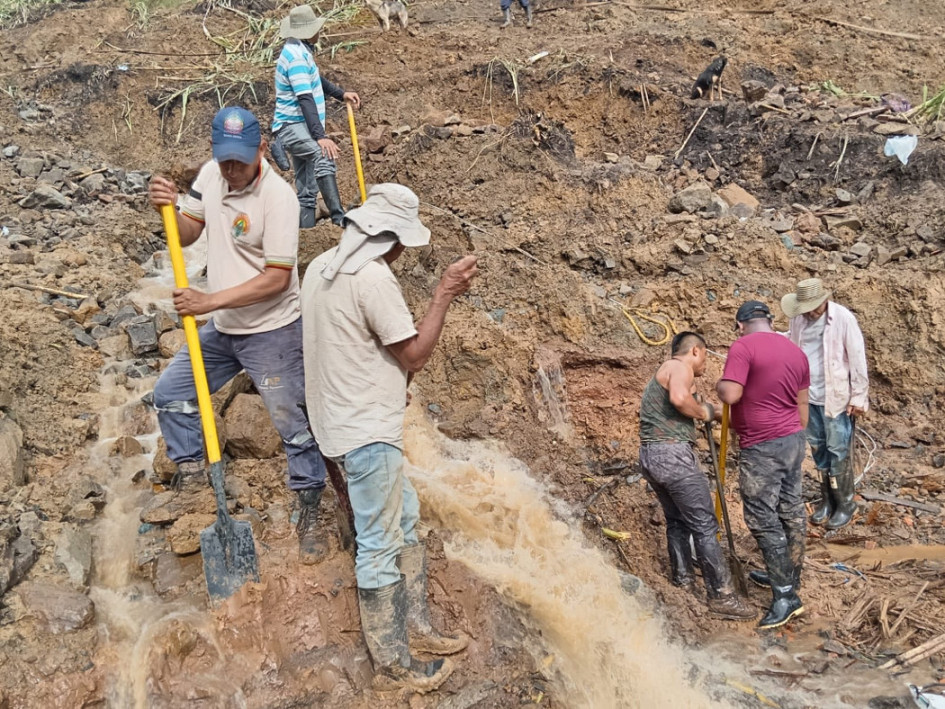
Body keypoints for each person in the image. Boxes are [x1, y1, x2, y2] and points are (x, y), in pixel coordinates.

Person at [301, 183, 477, 691]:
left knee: (405, 518)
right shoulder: (372, 278)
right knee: (379, 544)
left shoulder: (320, 268)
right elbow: (414, 353)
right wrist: (444, 293)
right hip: (367, 433)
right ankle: (394, 664)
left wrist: (386, 383)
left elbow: (345, 346)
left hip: (338, 422)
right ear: (393, 239)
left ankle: (415, 627)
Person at [148, 106, 330, 566]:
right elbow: (188, 234)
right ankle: (195, 478)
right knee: (170, 393)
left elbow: (278, 279)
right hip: (225, 327)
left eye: (240, 161)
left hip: (272, 330)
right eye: (225, 159)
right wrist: (168, 210)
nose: (231, 170)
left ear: (262, 149)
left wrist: (208, 301)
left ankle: (311, 504)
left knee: (292, 423)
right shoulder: (211, 175)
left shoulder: (279, 198)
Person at [638, 332, 756, 622]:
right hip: (673, 456)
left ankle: (683, 580)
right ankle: (722, 596)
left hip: (651, 456)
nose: (705, 364)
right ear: (695, 351)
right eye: (704, 356)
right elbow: (680, 399)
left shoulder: (667, 372)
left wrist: (714, 413)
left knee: (677, 521)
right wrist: (702, 413)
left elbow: (701, 408)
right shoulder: (678, 367)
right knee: (704, 525)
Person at [716, 301, 810, 630]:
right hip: (793, 440)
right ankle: (787, 576)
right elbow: (802, 404)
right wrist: (795, 436)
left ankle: (785, 596)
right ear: (770, 321)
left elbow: (731, 394)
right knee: (791, 510)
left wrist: (719, 385)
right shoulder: (796, 351)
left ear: (739, 324)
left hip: (762, 446)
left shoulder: (742, 347)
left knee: (762, 517)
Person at [781, 278, 868, 530]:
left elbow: (857, 357)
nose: (810, 312)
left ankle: (845, 503)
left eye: (813, 307)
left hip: (836, 397)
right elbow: (791, 343)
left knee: (838, 450)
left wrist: (858, 396)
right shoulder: (798, 320)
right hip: (807, 396)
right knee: (818, 449)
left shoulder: (843, 319)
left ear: (824, 300)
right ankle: (827, 501)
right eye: (805, 308)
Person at [272, 5, 361, 228]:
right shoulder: (296, 57)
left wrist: (341, 94)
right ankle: (339, 218)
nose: (319, 32)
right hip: (292, 126)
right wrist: (320, 136)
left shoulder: (300, 50)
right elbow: (305, 98)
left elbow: (316, 80)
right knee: (324, 154)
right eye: (316, 28)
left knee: (307, 191)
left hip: (301, 126)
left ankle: (307, 236)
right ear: (308, 32)